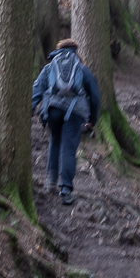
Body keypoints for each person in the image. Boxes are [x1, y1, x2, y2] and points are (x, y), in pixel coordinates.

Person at [31, 38, 101, 205]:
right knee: (68, 148)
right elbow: (95, 97)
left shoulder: (50, 67)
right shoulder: (82, 69)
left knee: (55, 140)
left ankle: (50, 182)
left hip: (53, 110)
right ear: (75, 51)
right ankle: (66, 190)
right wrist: (92, 119)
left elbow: (37, 88)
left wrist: (30, 108)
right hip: (75, 113)